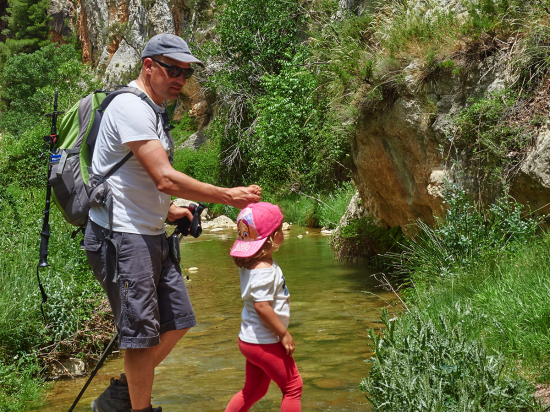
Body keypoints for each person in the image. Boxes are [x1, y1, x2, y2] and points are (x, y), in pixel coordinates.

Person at [83, 33, 261, 412]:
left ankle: (119, 396)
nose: (180, 77)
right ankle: (139, 408)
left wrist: (169, 211)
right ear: (149, 66)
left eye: (185, 71)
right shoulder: (131, 107)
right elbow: (164, 177)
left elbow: (136, 178)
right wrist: (227, 195)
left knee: (178, 320)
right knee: (141, 336)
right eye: (172, 69)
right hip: (123, 238)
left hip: (149, 233)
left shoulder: (154, 109)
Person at [225, 203, 303, 412]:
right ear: (272, 237)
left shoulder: (251, 263)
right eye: (280, 228)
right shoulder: (264, 270)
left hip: (251, 340)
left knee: (254, 391)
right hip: (265, 341)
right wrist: (283, 334)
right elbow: (261, 306)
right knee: (293, 387)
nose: (283, 230)